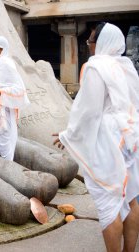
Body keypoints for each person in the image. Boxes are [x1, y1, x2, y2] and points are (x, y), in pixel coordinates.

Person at [53, 23, 139, 252]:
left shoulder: (95, 67)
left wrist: (68, 135)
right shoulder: (126, 65)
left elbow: (88, 111)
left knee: (108, 204)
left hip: (107, 139)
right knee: (130, 198)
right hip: (129, 136)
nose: (88, 45)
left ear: (101, 43)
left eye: (91, 40)